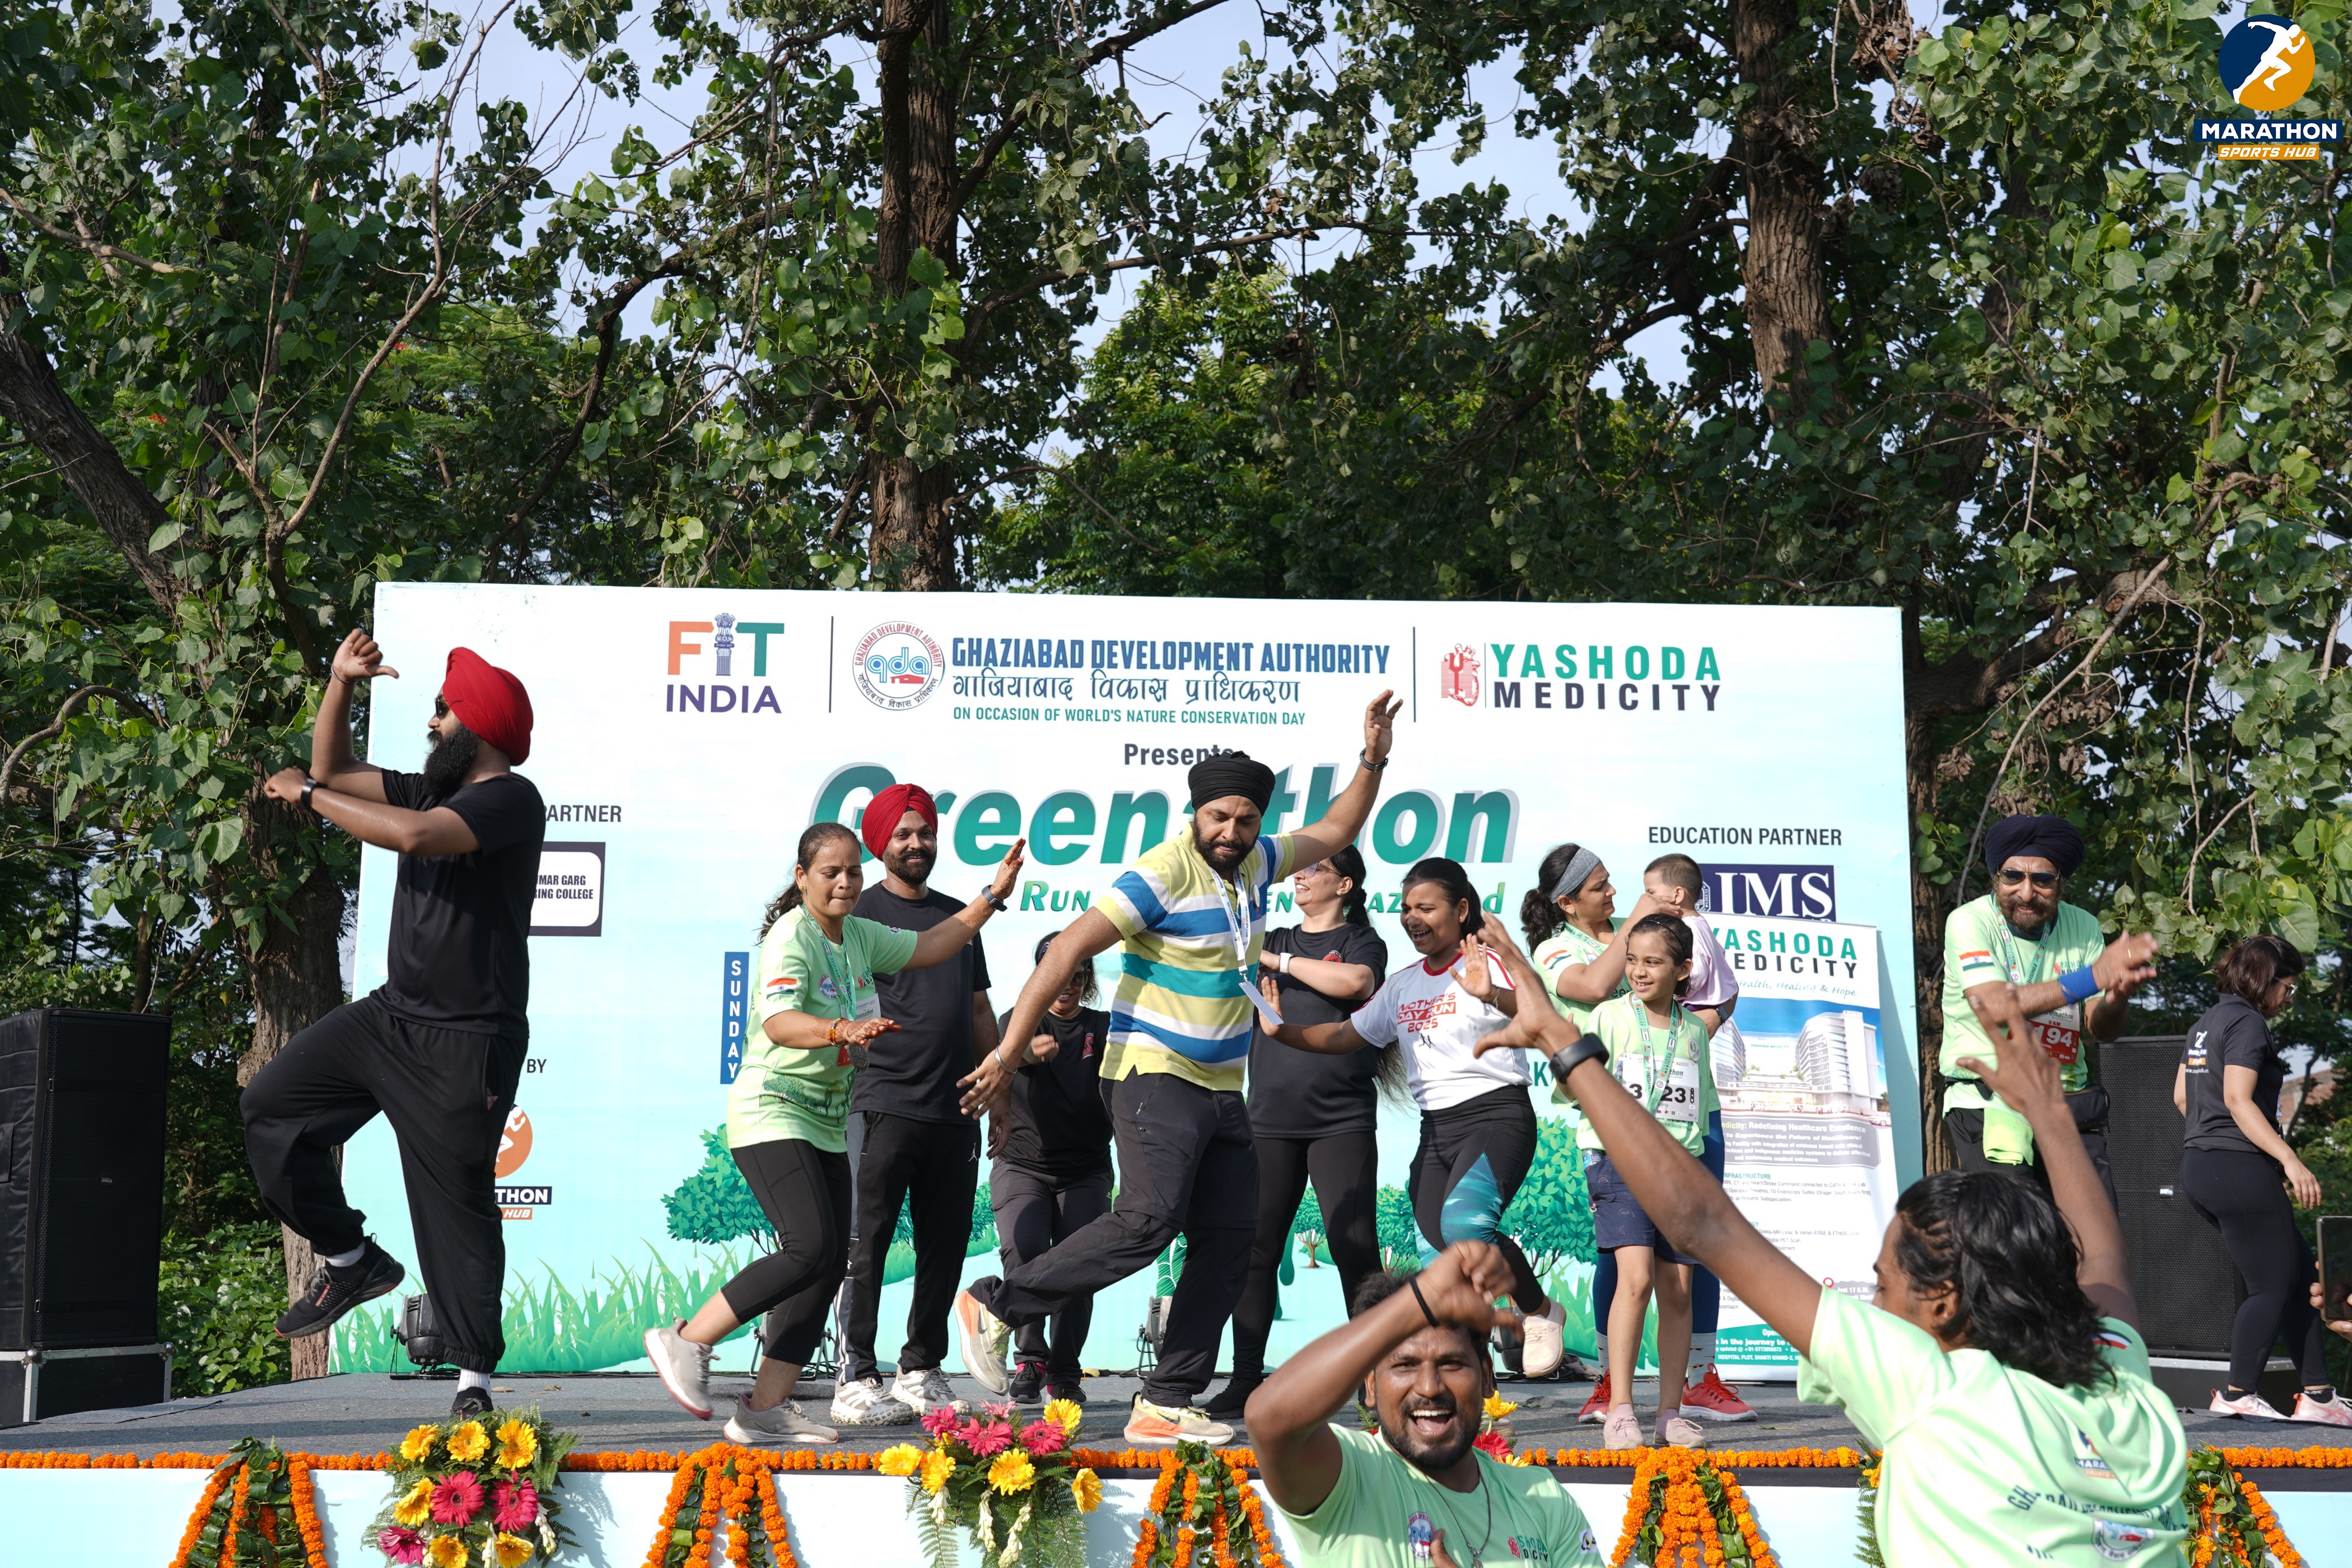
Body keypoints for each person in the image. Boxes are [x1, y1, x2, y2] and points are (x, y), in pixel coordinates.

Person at [1473, 922, 2190, 1568]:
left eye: (1884, 1283)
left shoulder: (1930, 1388)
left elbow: (1704, 1223)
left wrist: (1565, 1047)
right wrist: (2051, 1117)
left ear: (1945, 1303)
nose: (1874, 1300)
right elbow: (2103, 1260)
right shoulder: (2122, 1383)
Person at [954, 693, 1404, 1448]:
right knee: (1150, 1218)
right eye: (1219, 817)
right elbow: (1066, 952)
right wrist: (1005, 1054)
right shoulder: (1163, 872)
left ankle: (1165, 1399)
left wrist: (1372, 758)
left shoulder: (1257, 863)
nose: (1232, 831)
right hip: (1153, 1074)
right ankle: (998, 1302)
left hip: (1223, 1088)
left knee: (1230, 1242)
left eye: (1246, 820)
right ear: (1196, 813)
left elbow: (1336, 829)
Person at [242, 631, 544, 1420]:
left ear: (478, 725)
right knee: (271, 1107)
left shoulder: (510, 799)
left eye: (443, 710)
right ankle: (351, 1260)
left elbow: (406, 834)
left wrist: (306, 797)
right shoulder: (427, 790)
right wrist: (340, 682)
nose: (432, 722)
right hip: (392, 1016)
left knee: (455, 1204)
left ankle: (473, 1382)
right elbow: (336, 767)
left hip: (468, 1038)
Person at [641, 822, 1023, 1444]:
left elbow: (936, 943)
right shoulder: (792, 935)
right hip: (774, 1109)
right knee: (809, 1247)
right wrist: (840, 1030)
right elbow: (780, 1021)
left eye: (853, 871)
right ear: (802, 878)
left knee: (825, 1265)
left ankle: (765, 1408)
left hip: (824, 1119)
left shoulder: (859, 935)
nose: (845, 882)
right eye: (830, 872)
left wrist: (992, 896)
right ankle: (687, 1339)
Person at [1266, 857, 1571, 1383]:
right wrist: (1282, 1032)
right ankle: (1468, 1368)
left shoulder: (1491, 965)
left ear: (1461, 910)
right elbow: (1344, 1036)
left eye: (1426, 908)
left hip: (1496, 1115)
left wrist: (1490, 993)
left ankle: (1540, 1312)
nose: (1412, 918)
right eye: (1407, 908)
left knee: (1465, 1227)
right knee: (1438, 1249)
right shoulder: (1403, 984)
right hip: (1437, 1129)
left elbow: (1546, 1018)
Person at [1247, 1244, 1607, 1568]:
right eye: (1405, 1365)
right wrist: (1423, 1298)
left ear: (1486, 1377)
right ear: (1370, 1386)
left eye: (1452, 1364)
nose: (1430, 1387)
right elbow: (1269, 1419)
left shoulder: (1542, 1498)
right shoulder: (1349, 1479)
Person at [830, 783, 1000, 1427]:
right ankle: (855, 1374)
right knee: (864, 1244)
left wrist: (1003, 1094)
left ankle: (920, 1368)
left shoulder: (960, 919)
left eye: (924, 831)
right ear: (880, 843)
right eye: (902, 834)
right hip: (881, 1103)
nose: (916, 843)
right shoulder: (857, 915)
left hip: (954, 1110)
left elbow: (979, 1010)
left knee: (944, 1247)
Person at [1206, 844, 1393, 1420]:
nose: (1301, 877)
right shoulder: (1273, 935)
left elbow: (1355, 981)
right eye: (1299, 870)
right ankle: (1245, 1378)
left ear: (1345, 884)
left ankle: (1377, 1381)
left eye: (1314, 869)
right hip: (1268, 1120)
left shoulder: (1360, 942)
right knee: (1256, 1250)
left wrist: (1278, 961)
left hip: (1341, 1120)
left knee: (1354, 1249)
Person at [1940, 814, 2157, 1200]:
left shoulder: (2083, 926)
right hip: (1993, 1102)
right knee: (2020, 1232)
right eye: (2013, 877)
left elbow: (2102, 1029)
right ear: (1996, 877)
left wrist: (2117, 996)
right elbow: (1992, 1005)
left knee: (2095, 1231)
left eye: (2042, 880)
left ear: (2061, 882)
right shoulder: (1969, 922)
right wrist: (2094, 976)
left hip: (2067, 1105)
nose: (2026, 893)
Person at [2174, 935, 2343, 1424]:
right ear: (2266, 980)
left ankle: (2319, 1396)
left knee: (2301, 1276)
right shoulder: (2248, 1023)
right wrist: (2289, 1160)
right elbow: (2237, 1099)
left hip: (2201, 1165)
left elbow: (2183, 1098)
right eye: (2288, 988)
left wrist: (2215, 1140)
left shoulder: (2205, 1024)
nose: (2288, 999)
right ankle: (2236, 1392)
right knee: (2272, 1284)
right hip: (2237, 1166)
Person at [1569, 913, 1712, 1449]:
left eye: (1653, 962)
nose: (1639, 971)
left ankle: (1669, 1413)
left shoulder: (1694, 1030)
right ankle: (1621, 1409)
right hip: (1619, 1161)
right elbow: (1579, 1087)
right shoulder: (1608, 1017)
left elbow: (1700, 1110)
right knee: (1635, 1279)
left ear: (1683, 970)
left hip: (1680, 1168)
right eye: (1632, 960)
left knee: (1678, 1289)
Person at [1634, 853, 1752, 1425]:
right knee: (1627, 1251)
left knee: (1692, 1248)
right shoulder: (1632, 957)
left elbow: (1723, 999)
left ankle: (1696, 1378)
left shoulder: (1692, 936)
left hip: (1691, 1116)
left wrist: (1695, 1028)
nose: (1639, 900)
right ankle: (1613, 1383)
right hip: (1636, 1118)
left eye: (1650, 891)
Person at [990, 931, 1116, 1406]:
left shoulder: (1104, 1027)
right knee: (1023, 1251)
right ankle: (1030, 1360)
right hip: (1023, 1164)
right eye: (1057, 974)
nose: (1067, 984)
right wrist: (1027, 1052)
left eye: (1077, 975)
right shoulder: (1018, 1021)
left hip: (1085, 1170)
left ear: (1087, 979)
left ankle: (1064, 1372)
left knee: (1078, 1266)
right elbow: (1009, 1054)